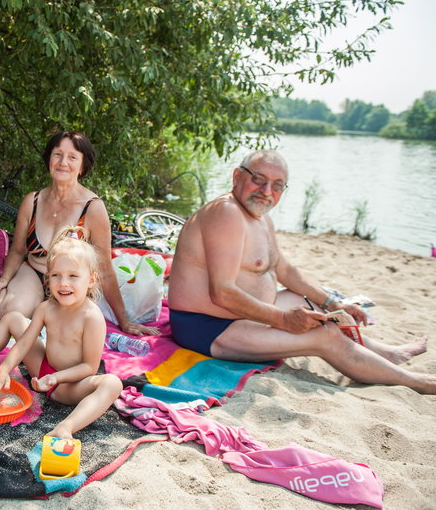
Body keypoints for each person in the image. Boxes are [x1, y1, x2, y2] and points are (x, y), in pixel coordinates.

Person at [168, 149, 434, 394]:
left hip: (242, 317)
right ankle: (414, 382)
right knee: (325, 335)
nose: (266, 191)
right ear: (237, 176)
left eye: (277, 185)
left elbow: (284, 269)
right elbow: (222, 293)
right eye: (258, 180)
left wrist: (332, 302)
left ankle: (387, 354)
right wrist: (284, 319)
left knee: (316, 306)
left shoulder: (260, 217)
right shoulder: (225, 212)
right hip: (207, 328)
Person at [0, 226, 123, 439]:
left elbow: (89, 367)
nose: (64, 283)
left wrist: (55, 378)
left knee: (112, 383)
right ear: (47, 278)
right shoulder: (46, 308)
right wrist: (4, 369)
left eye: (73, 276)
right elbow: (23, 345)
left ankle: (66, 426)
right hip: (41, 369)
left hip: (68, 384)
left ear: (91, 279)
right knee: (14, 317)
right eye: (56, 275)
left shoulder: (92, 317)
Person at [0, 131, 156, 336]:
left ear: (82, 167)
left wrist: (124, 321)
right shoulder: (32, 201)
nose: (63, 162)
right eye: (57, 154)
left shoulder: (92, 208)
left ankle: (42, 312)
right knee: (12, 311)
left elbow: (105, 269)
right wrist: (4, 279)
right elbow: (18, 250)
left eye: (72, 157)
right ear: (49, 159)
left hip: (70, 282)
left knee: (68, 330)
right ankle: (16, 300)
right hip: (35, 272)